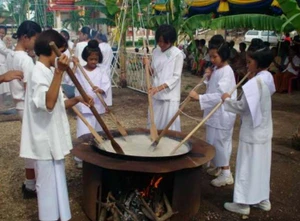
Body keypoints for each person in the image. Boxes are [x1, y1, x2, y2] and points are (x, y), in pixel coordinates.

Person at [20, 29, 92, 221]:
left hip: (53, 140)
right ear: (51, 51)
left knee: (58, 184)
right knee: (47, 188)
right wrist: (60, 72)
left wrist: (77, 99)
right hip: (44, 142)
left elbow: (59, 103)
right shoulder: (37, 73)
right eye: (61, 51)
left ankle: (61, 217)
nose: (64, 56)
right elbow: (49, 104)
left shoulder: (48, 71)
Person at [221, 46, 275, 215]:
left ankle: (243, 203)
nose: (247, 65)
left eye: (250, 62)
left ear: (258, 64)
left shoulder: (253, 84)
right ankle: (262, 199)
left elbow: (243, 107)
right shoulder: (268, 77)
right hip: (264, 130)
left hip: (252, 131)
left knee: (247, 166)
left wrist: (227, 100)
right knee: (261, 166)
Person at [189, 35, 236, 187]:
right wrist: (208, 76)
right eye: (211, 56)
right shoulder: (217, 68)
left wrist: (199, 98)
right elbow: (213, 86)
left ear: (223, 55)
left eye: (215, 56)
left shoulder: (227, 72)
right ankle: (218, 167)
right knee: (213, 140)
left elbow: (220, 96)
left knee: (221, 142)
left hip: (222, 114)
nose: (212, 59)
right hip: (214, 113)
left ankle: (226, 172)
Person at [7, 20, 42, 198]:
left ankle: (30, 184)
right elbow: (31, 88)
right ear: (25, 37)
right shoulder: (26, 60)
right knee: (35, 147)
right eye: (35, 39)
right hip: (27, 105)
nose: (37, 43)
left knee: (30, 144)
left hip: (19, 104)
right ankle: (36, 184)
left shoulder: (12, 55)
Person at [74, 39, 110, 168]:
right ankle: (80, 158)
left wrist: (100, 89)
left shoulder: (101, 71)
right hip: (84, 107)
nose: (93, 62)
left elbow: (106, 85)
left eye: (96, 59)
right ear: (86, 58)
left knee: (97, 131)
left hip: (97, 106)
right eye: (91, 59)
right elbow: (70, 79)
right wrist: (74, 65)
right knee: (84, 131)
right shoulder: (79, 70)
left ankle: (97, 153)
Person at [148, 24, 185, 131]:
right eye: (159, 41)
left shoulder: (177, 54)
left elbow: (176, 77)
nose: (162, 44)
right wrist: (146, 65)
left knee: (169, 127)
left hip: (170, 97)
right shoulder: (156, 51)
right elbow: (153, 72)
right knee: (154, 123)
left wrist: (158, 88)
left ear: (171, 40)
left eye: (165, 41)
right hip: (156, 96)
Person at [96, 33, 113, 106]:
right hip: (107, 68)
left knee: (99, 86)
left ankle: (100, 102)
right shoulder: (109, 47)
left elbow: (98, 58)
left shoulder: (99, 47)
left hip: (100, 68)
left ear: (99, 39)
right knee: (107, 86)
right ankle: (108, 103)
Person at [0, 25, 12, 109]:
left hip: (3, 64)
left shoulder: (2, 41)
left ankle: (1, 104)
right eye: (0, 32)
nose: (1, 34)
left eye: (3, 33)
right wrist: (13, 52)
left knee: (3, 86)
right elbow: (4, 51)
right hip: (0, 65)